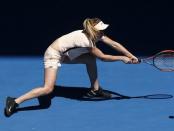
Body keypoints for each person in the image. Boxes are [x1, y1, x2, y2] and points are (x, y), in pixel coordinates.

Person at [5, 18, 139, 117]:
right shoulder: (86, 41)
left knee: (89, 59)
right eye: (101, 29)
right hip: (53, 54)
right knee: (48, 89)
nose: (103, 31)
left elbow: (114, 44)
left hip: (65, 53)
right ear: (93, 31)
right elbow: (103, 57)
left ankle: (95, 90)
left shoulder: (96, 34)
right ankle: (15, 101)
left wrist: (131, 55)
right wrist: (122, 58)